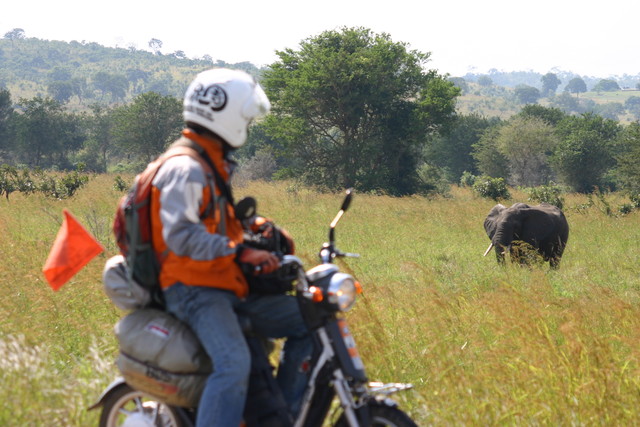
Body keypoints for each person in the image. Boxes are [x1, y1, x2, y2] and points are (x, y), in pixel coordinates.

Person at [150, 68, 311, 426]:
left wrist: (260, 236)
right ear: (224, 114)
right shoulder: (185, 168)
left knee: (312, 319)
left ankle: (280, 417)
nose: (248, 126)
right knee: (233, 363)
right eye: (245, 118)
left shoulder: (211, 164)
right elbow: (181, 236)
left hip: (222, 282)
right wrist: (240, 252)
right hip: (192, 289)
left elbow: (216, 225)